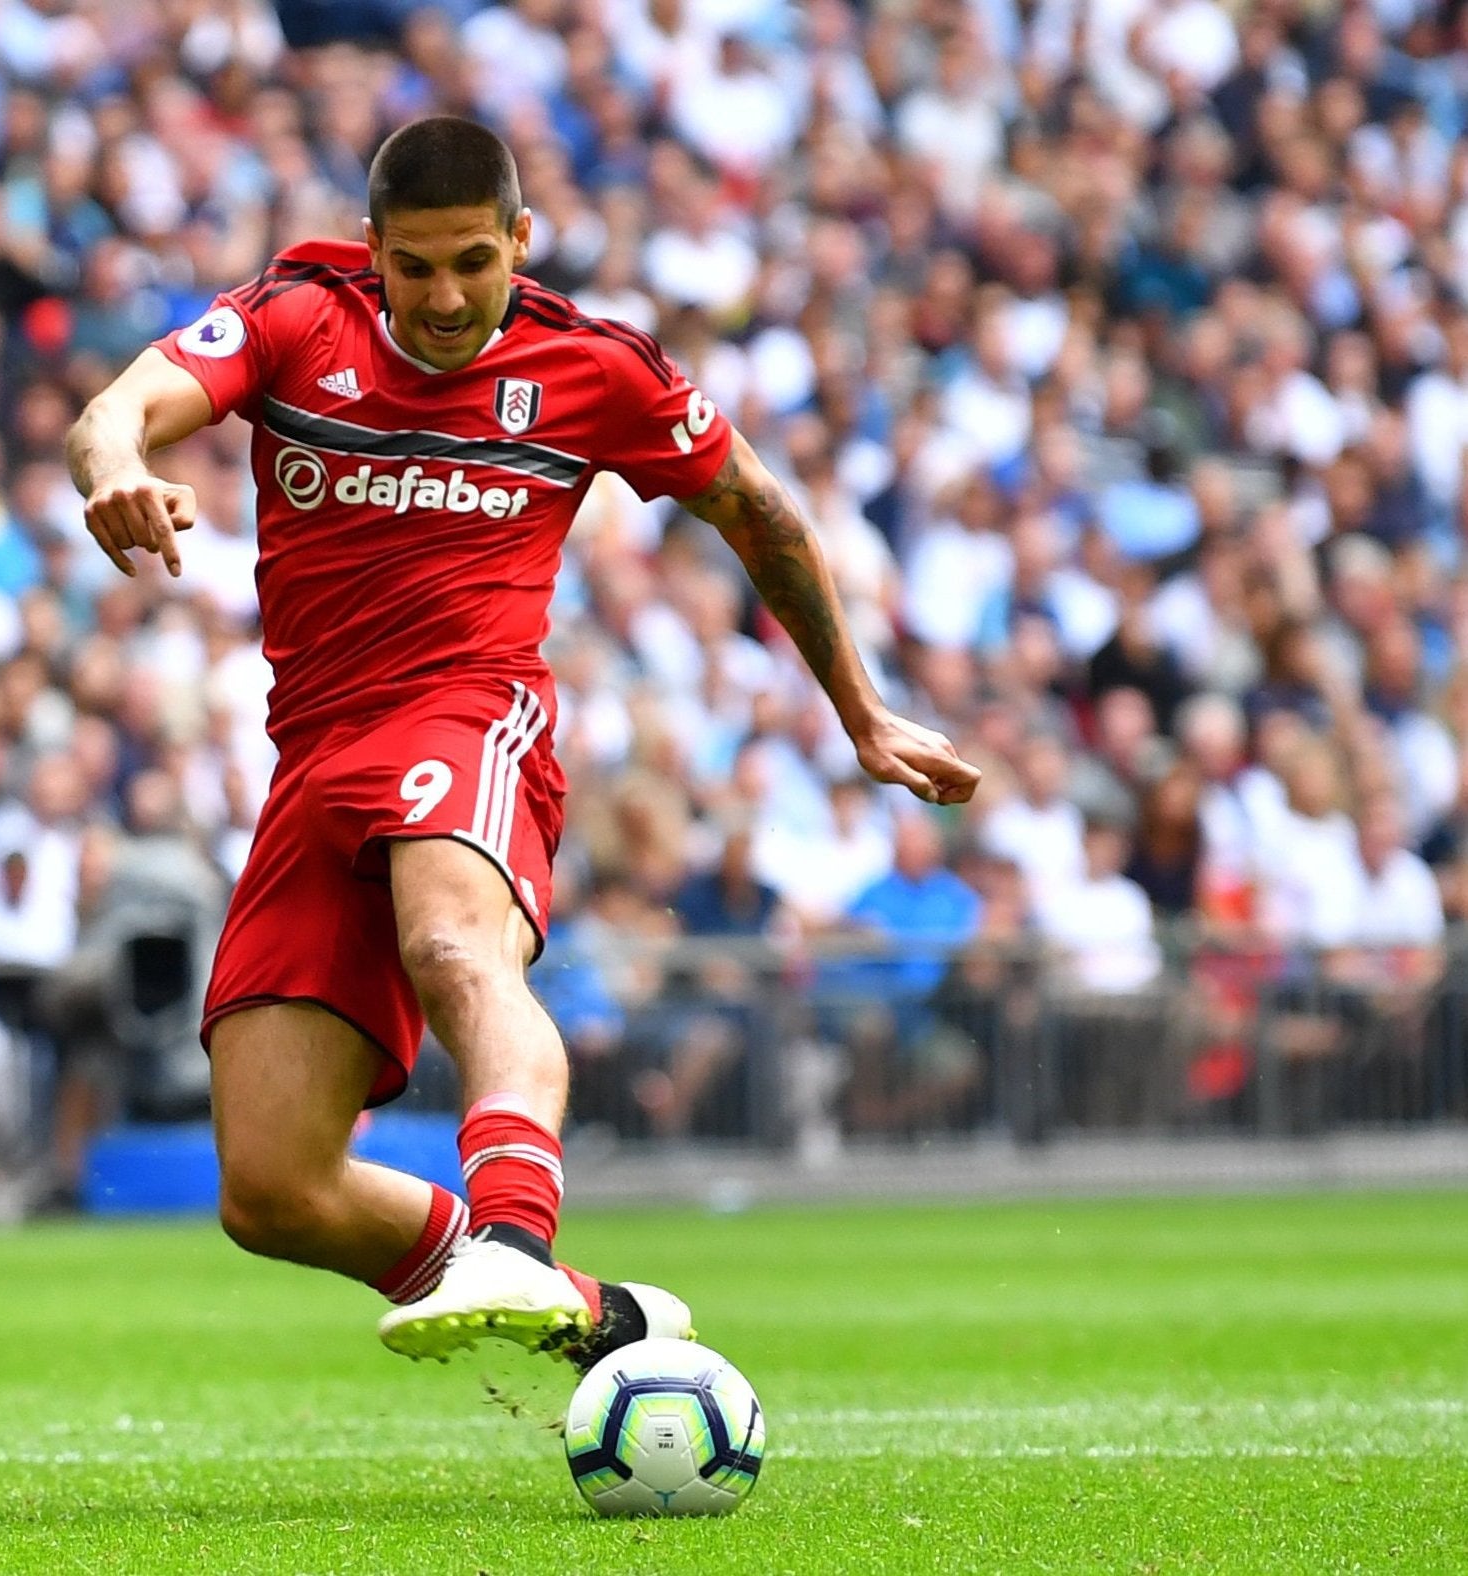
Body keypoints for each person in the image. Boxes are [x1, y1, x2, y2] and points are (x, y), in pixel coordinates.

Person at [64, 117, 979, 1371]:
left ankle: (514, 1229)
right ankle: (605, 1319)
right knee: (271, 1187)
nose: (445, 297)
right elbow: (117, 410)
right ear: (373, 249)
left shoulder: (592, 365)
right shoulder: (296, 314)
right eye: (417, 265)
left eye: (474, 263)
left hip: (468, 712)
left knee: (454, 941)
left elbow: (757, 510)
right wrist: (116, 465)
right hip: (313, 759)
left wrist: (860, 710)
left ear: (521, 243)